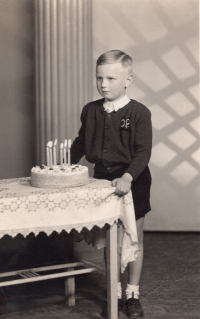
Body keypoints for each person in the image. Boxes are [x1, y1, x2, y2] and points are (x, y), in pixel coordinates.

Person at [70, 49, 152, 318]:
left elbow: (142, 152)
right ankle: (114, 290)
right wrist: (65, 165)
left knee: (133, 236)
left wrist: (128, 176)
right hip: (102, 180)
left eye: (111, 79)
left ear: (128, 79)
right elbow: (81, 143)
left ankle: (132, 294)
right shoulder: (90, 111)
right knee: (109, 238)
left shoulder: (139, 113)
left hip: (134, 180)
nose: (104, 84)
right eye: (99, 78)